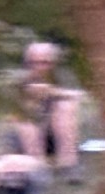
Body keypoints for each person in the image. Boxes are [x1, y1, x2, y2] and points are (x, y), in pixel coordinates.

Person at [11, 41, 83, 184]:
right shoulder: (20, 80)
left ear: (52, 63)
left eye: (44, 63)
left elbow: (78, 96)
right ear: (27, 63)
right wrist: (31, 100)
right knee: (24, 120)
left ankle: (68, 163)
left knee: (65, 106)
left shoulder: (62, 76)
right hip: (27, 137)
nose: (39, 67)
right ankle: (38, 170)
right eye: (34, 63)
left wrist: (53, 92)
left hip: (56, 133)